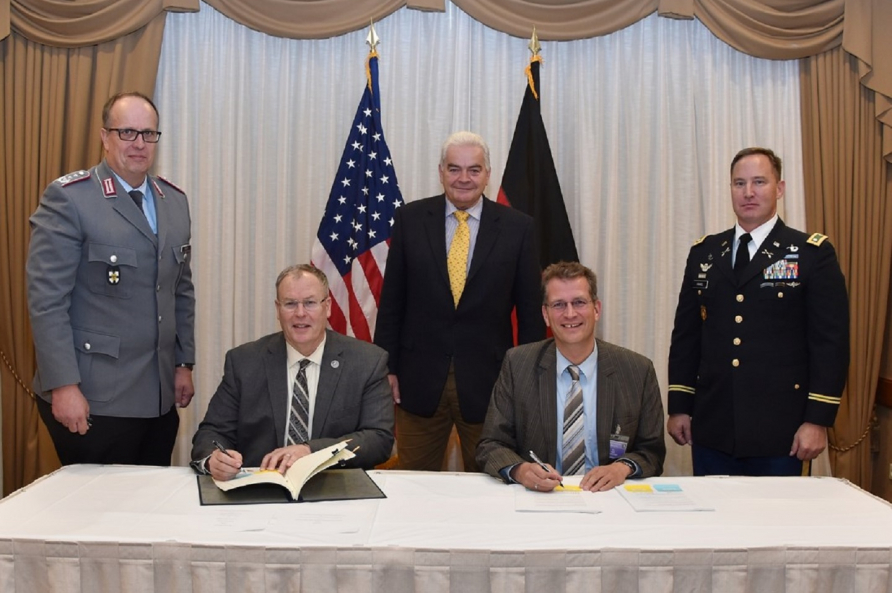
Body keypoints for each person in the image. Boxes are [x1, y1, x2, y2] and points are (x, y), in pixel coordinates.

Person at [27, 91, 195, 466]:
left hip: (157, 397)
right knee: (96, 517)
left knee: (149, 511)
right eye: (127, 132)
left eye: (149, 134)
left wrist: (184, 364)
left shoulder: (174, 202)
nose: (139, 144)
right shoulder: (70, 199)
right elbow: (47, 301)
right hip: (94, 396)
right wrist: (63, 385)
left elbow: (179, 290)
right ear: (105, 137)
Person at [667, 147, 849, 476]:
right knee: (713, 523)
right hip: (712, 427)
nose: (748, 192)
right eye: (739, 183)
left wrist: (817, 419)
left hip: (782, 432)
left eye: (759, 182)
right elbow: (687, 336)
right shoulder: (705, 253)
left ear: (779, 188)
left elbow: (830, 344)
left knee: (776, 525)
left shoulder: (810, 254)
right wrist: (680, 406)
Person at [374, 131, 545, 472]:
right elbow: (392, 301)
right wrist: (387, 366)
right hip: (417, 382)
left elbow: (530, 314)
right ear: (440, 172)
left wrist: (527, 380)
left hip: (491, 385)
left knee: (491, 484)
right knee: (413, 486)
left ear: (487, 174)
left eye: (474, 169)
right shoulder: (410, 220)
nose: (464, 178)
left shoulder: (518, 228)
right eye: (454, 169)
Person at [477, 261, 665, 492]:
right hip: (540, 497)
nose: (569, 313)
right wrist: (520, 470)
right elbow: (491, 444)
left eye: (579, 302)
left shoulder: (637, 370)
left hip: (609, 498)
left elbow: (652, 451)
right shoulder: (518, 365)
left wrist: (621, 468)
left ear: (596, 309)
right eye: (558, 305)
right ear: (545, 315)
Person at [191, 265, 393, 479]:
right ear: (278, 309)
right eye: (290, 304)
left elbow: (378, 439)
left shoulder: (367, 361)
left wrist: (310, 450)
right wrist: (214, 459)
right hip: (260, 489)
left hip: (334, 485)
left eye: (310, 302)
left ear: (328, 306)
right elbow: (212, 432)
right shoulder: (244, 361)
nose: (300, 313)